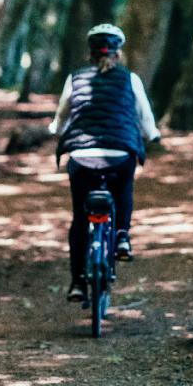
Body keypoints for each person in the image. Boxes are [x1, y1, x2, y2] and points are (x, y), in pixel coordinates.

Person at [49, 24, 162, 302]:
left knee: (79, 217)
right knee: (123, 189)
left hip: (82, 157)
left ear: (90, 53)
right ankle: (122, 236)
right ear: (118, 53)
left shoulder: (75, 78)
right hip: (119, 154)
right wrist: (153, 135)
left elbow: (63, 115)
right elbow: (144, 117)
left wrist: (55, 129)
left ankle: (76, 282)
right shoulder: (130, 79)